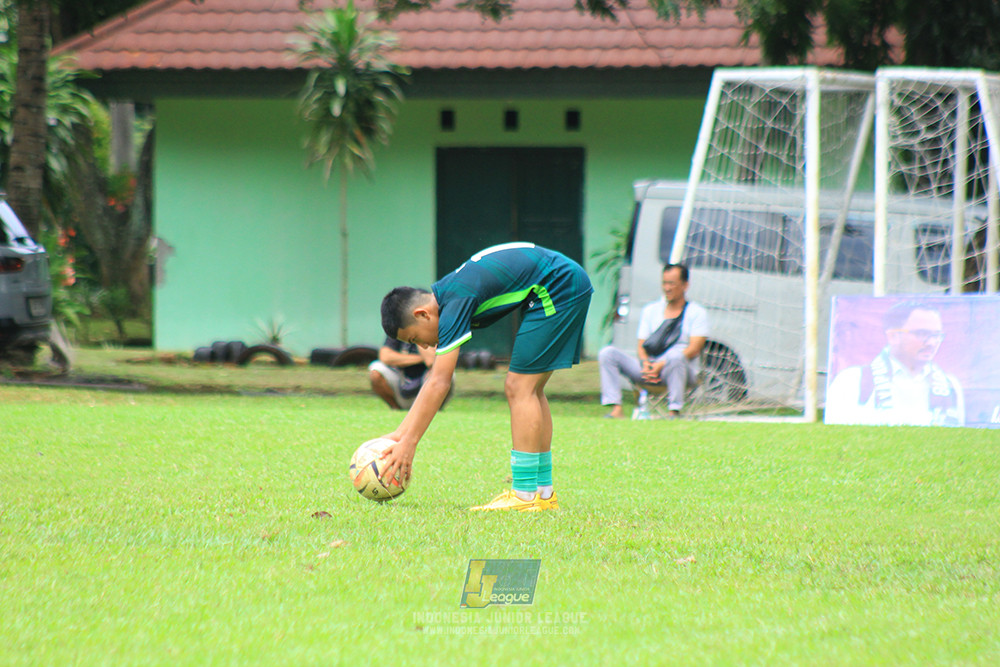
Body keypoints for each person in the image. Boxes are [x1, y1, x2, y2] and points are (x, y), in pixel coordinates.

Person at [377, 242, 593, 512]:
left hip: (558, 286)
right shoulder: (449, 295)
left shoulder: (454, 303)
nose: (422, 346)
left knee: (519, 386)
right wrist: (401, 434)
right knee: (531, 389)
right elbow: (435, 380)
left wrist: (409, 442)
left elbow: (439, 381)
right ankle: (542, 493)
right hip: (562, 282)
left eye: (414, 339)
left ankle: (524, 495)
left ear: (422, 314)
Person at [825, 300, 964, 426]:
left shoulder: (950, 385)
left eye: (936, 335)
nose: (931, 343)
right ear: (893, 336)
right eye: (921, 334)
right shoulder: (852, 380)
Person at [598, 263, 708, 419]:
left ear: (685, 285)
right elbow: (641, 345)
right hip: (649, 369)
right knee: (608, 353)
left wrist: (661, 365)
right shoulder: (650, 310)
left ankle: (674, 411)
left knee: (676, 357)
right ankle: (616, 409)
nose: (667, 288)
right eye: (664, 283)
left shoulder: (696, 312)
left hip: (678, 370)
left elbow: (695, 348)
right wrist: (646, 364)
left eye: (672, 284)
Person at [368, 337, 453, 410]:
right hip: (401, 379)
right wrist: (420, 359)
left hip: (426, 382)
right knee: (375, 370)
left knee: (445, 374)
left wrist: (418, 337)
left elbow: (430, 361)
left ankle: (430, 411)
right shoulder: (401, 326)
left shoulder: (434, 329)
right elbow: (385, 357)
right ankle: (396, 408)